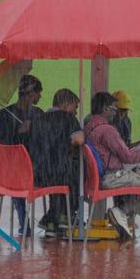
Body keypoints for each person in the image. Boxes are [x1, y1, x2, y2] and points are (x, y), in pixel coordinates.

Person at [84, 92, 140, 240]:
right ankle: (122, 211)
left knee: (139, 174)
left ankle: (122, 214)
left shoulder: (89, 127)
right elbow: (128, 157)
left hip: (97, 178)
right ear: (105, 109)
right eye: (114, 109)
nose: (115, 113)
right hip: (112, 177)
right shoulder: (108, 131)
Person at [29, 89, 84, 237]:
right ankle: (65, 216)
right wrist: (71, 144)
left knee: (58, 180)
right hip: (60, 173)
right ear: (66, 104)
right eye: (75, 107)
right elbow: (79, 140)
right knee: (78, 172)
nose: (76, 112)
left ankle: (52, 221)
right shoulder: (68, 118)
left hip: (39, 174)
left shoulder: (39, 119)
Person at [0, 74, 44, 236]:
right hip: (15, 167)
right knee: (19, 174)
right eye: (38, 93)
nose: (40, 96)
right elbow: (1, 144)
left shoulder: (38, 114)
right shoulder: (5, 115)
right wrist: (19, 132)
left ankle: (53, 219)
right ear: (30, 94)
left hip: (36, 164)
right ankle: (24, 222)